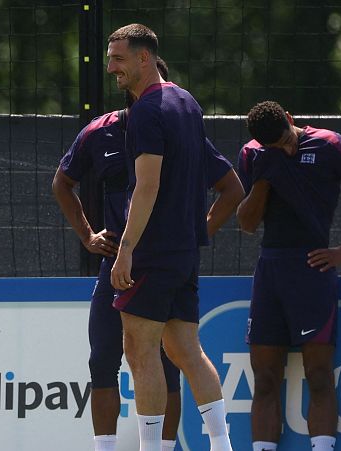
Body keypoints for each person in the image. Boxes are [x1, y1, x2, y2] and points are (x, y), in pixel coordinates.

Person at [53, 57, 243, 451]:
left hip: (148, 256)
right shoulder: (102, 131)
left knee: (157, 357)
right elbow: (62, 182)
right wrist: (88, 235)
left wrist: (192, 233)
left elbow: (230, 189)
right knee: (108, 358)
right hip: (122, 260)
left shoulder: (173, 125)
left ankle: (163, 446)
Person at [106, 23, 235, 451]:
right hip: (182, 252)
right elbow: (231, 182)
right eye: (110, 58)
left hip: (152, 250)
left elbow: (147, 186)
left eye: (119, 59)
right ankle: (222, 444)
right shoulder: (187, 102)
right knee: (186, 349)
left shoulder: (145, 110)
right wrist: (196, 230)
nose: (111, 68)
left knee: (140, 352)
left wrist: (125, 251)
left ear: (145, 58)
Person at [236, 101, 341, 451]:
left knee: (319, 376)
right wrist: (265, 172)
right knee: (264, 379)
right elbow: (246, 224)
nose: (287, 148)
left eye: (288, 140)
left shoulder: (330, 144)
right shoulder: (254, 155)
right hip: (270, 271)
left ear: (291, 118)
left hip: (312, 271)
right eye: (277, 146)